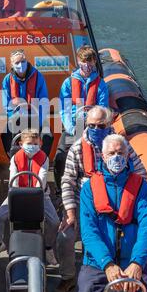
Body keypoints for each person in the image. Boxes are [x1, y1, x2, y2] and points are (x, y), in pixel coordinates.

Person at [72, 134, 147, 292]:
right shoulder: (89, 189)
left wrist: (136, 263)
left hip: (133, 263)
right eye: (112, 153)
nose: (116, 157)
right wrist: (108, 265)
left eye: (120, 153)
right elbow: (89, 233)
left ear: (128, 156)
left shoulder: (142, 188)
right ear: (103, 157)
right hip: (97, 265)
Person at [52, 105, 147, 292]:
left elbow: (141, 174)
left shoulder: (122, 147)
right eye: (91, 125)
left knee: (111, 239)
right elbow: (67, 180)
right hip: (82, 205)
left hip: (116, 206)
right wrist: (70, 212)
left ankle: (108, 273)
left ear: (110, 124)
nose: (95, 129)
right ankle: (68, 277)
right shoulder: (78, 148)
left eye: (100, 125)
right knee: (65, 237)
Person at [0, 129, 59, 265]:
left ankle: (48, 247)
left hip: (41, 195)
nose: (32, 146)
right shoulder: (15, 158)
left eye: (35, 143)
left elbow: (41, 180)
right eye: (29, 143)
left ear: (40, 144)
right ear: (21, 144)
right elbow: (13, 179)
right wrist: (19, 196)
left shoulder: (44, 158)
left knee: (54, 222)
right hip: (18, 193)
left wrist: (36, 195)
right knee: (0, 216)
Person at [54, 45, 109, 201]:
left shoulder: (101, 85)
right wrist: (70, 127)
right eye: (85, 62)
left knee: (99, 156)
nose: (88, 66)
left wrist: (93, 125)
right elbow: (64, 108)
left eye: (90, 62)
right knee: (60, 157)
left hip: (93, 127)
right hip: (73, 126)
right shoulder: (68, 83)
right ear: (78, 61)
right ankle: (60, 192)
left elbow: (103, 108)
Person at [1, 49, 53, 157]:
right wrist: (15, 117)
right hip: (17, 117)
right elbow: (6, 105)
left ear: (27, 61)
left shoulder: (38, 77)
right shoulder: (7, 80)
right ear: (12, 64)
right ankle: (14, 160)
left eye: (23, 61)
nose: (20, 65)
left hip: (36, 115)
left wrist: (38, 121)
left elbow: (44, 101)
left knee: (48, 136)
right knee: (5, 134)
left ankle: (41, 160)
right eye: (17, 63)